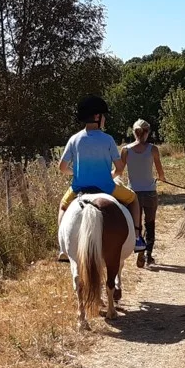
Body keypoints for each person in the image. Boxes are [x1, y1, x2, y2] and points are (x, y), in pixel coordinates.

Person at [58, 95, 146, 260]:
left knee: (63, 206)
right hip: (106, 187)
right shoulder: (108, 140)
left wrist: (75, 173)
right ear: (97, 117)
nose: (105, 119)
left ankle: (63, 247)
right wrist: (111, 175)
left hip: (79, 188)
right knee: (133, 199)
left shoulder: (74, 139)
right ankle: (136, 238)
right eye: (103, 116)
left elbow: (62, 168)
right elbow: (119, 168)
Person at [121, 119, 165, 265]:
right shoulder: (153, 149)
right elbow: (160, 173)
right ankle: (148, 254)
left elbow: (119, 171)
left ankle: (139, 250)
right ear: (147, 132)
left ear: (134, 132)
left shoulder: (126, 150)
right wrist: (161, 178)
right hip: (150, 192)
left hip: (133, 194)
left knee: (136, 224)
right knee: (150, 223)